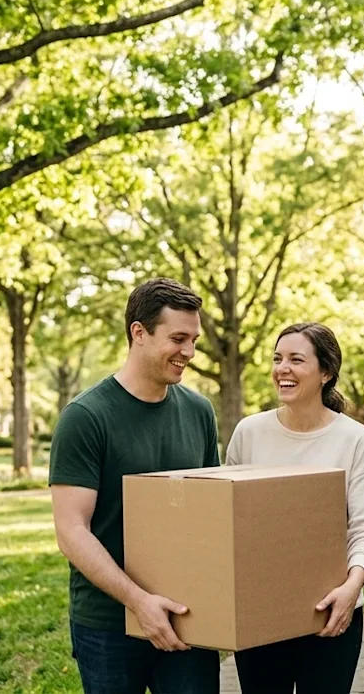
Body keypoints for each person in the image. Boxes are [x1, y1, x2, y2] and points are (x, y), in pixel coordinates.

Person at [49, 277, 222, 694]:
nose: (189, 353)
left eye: (194, 340)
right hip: (108, 624)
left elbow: (212, 514)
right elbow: (72, 532)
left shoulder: (199, 412)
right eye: (178, 338)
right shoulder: (86, 417)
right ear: (138, 333)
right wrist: (139, 602)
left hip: (188, 616)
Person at [225, 322, 364, 694]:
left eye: (296, 360)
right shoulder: (249, 433)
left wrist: (351, 587)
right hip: (260, 611)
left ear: (326, 372)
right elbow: (228, 520)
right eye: (278, 359)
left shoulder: (354, 439)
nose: (283, 369)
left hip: (330, 611)